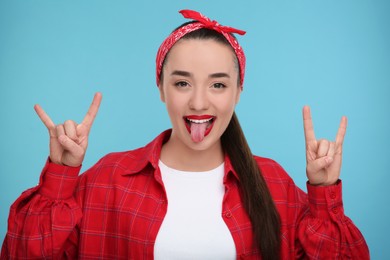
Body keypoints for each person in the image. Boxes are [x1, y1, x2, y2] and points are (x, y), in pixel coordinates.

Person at [1, 9, 369, 260]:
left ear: (239, 92)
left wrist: (324, 196)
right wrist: (59, 179)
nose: (198, 101)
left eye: (218, 85)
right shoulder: (108, 179)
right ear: (160, 88)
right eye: (181, 82)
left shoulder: (273, 183)